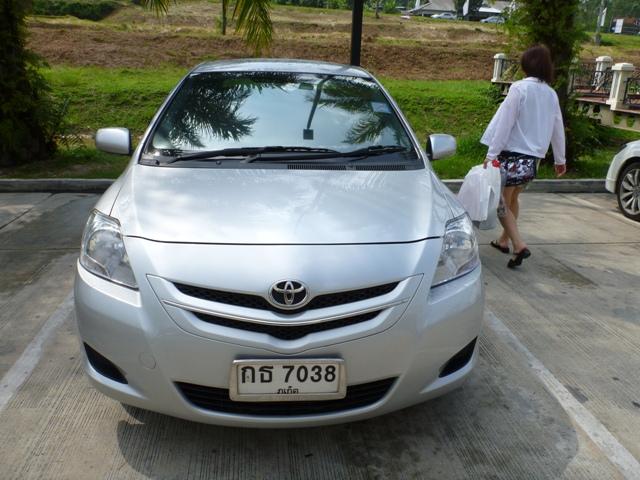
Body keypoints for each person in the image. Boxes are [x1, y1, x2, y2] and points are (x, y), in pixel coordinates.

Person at [481, 44, 567, 268]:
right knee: (513, 199)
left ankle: (519, 245)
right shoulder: (551, 94)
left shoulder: (519, 88)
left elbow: (505, 123)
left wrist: (491, 154)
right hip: (532, 160)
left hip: (512, 155)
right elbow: (558, 127)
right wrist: (560, 160)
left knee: (501, 203)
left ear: (526, 65)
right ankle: (503, 240)